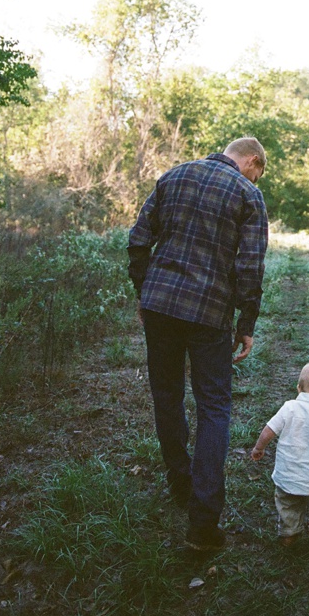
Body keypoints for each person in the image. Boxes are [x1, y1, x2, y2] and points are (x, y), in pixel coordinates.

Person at [127, 136, 269, 551]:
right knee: (214, 406)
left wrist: (144, 291)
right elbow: (250, 264)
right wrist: (247, 321)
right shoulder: (248, 194)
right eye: (259, 172)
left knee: (167, 395)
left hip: (159, 304)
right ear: (252, 161)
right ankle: (203, 524)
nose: (257, 178)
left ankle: (180, 483)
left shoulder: (173, 176)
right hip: (209, 312)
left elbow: (138, 240)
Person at [250, 361, 309, 547]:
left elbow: (269, 430)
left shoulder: (289, 408)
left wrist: (258, 448)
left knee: (288, 504)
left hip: (288, 475)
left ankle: (289, 532)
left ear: (298, 389)